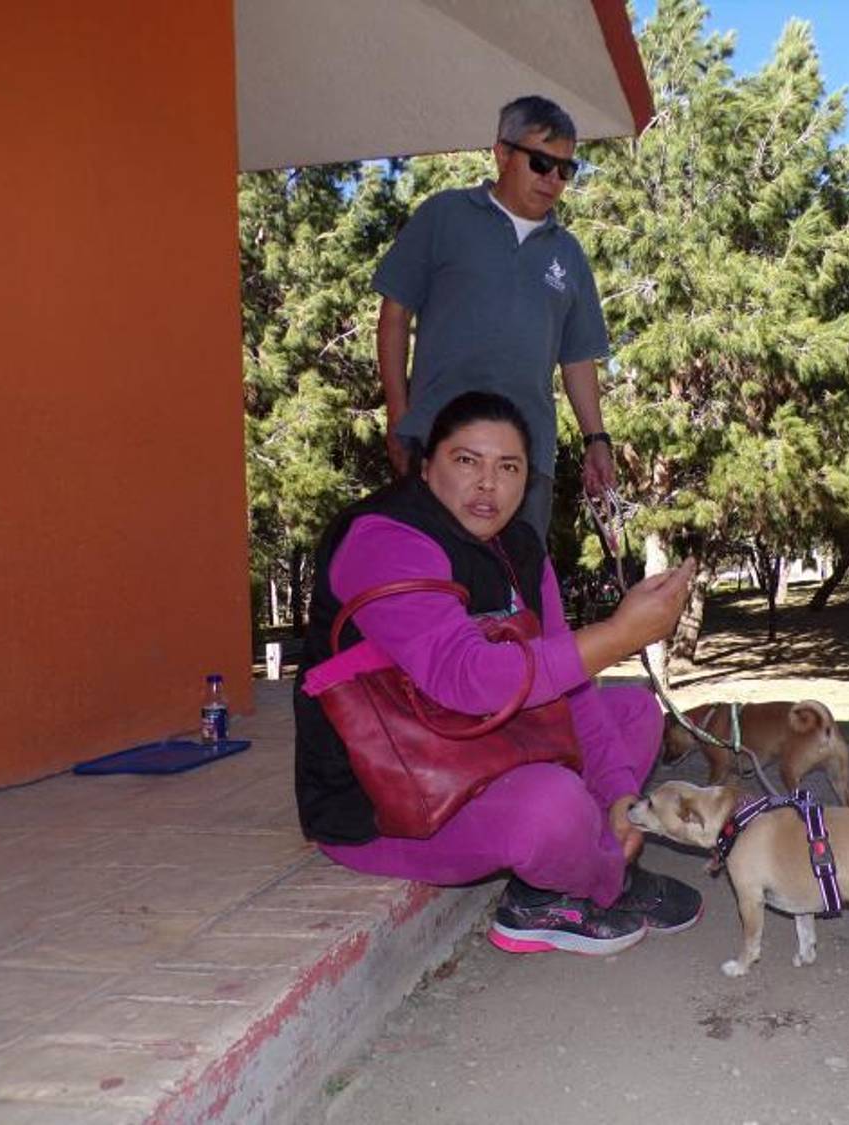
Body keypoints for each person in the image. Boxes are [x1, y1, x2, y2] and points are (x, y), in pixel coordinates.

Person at [294, 391, 699, 956]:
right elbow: (467, 677)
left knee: (631, 711)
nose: (488, 485)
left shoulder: (519, 547)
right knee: (552, 806)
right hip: (390, 799)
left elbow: (574, 690)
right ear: (426, 463)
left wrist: (621, 801)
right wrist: (620, 635)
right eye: (467, 461)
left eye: (507, 468)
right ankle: (594, 886)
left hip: (476, 749)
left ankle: (559, 873)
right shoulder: (384, 538)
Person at [373, 95, 614, 542]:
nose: (553, 179)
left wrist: (596, 440)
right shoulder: (444, 215)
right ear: (502, 152)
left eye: (566, 169)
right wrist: (398, 415)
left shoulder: (569, 253)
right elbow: (393, 314)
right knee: (437, 581)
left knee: (517, 595)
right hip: (437, 446)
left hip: (526, 461)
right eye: (542, 162)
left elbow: (578, 358)